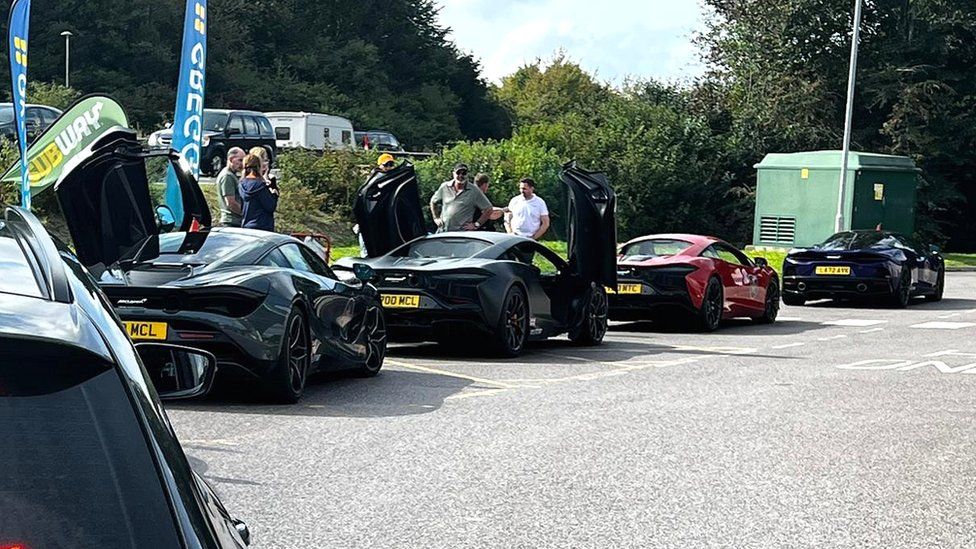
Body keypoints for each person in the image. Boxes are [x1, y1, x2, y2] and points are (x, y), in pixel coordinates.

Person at [429, 163, 493, 232]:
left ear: (467, 175)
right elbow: (433, 201)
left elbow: (488, 209)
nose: (460, 176)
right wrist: (436, 218)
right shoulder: (445, 187)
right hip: (443, 231)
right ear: (453, 174)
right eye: (458, 173)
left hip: (462, 234)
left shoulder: (474, 190)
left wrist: (476, 224)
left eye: (464, 173)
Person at [239, 153, 278, 231]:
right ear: (258, 166)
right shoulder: (261, 186)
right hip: (262, 226)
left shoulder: (241, 184)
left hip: (246, 225)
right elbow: (270, 207)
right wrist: (274, 194)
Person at [216, 147, 245, 227]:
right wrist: (245, 213)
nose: (242, 164)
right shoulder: (227, 176)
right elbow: (231, 203)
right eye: (240, 160)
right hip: (231, 222)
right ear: (231, 159)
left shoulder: (232, 175)